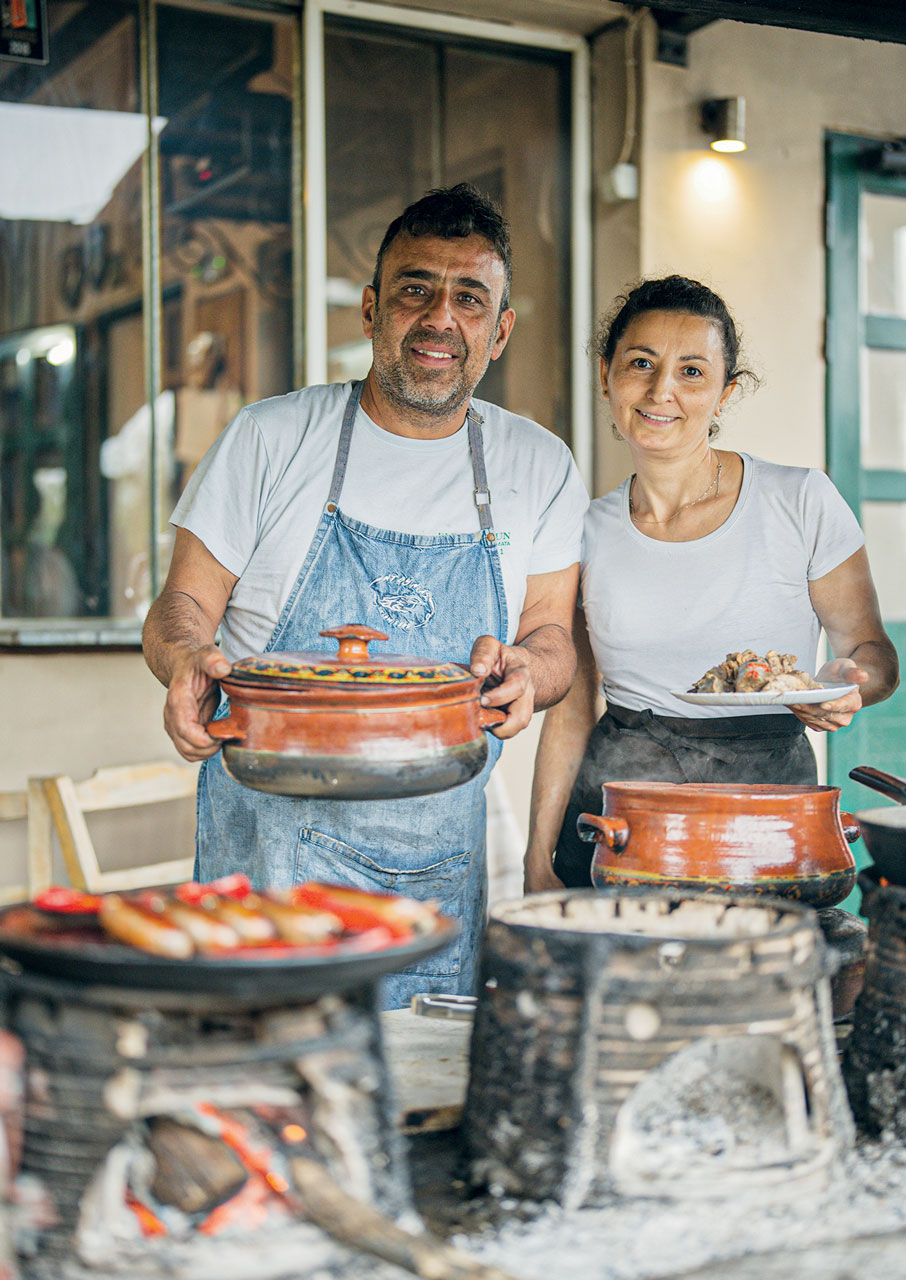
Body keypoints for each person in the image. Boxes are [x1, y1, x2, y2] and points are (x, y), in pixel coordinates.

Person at [142, 183, 588, 1005]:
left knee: (415, 1101)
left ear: (500, 330)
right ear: (372, 308)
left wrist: (529, 668)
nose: (440, 318)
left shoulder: (539, 465)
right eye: (416, 289)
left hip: (430, 871)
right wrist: (185, 659)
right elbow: (181, 606)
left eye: (469, 298)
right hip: (265, 865)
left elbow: (552, 637)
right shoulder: (272, 438)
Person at [524, 275, 900, 892]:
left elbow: (873, 654)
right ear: (606, 375)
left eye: (692, 371)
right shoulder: (585, 530)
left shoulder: (799, 500)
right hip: (626, 819)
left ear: (725, 392)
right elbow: (571, 708)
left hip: (768, 819)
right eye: (640, 363)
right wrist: (537, 857)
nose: (660, 390)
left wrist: (850, 687)